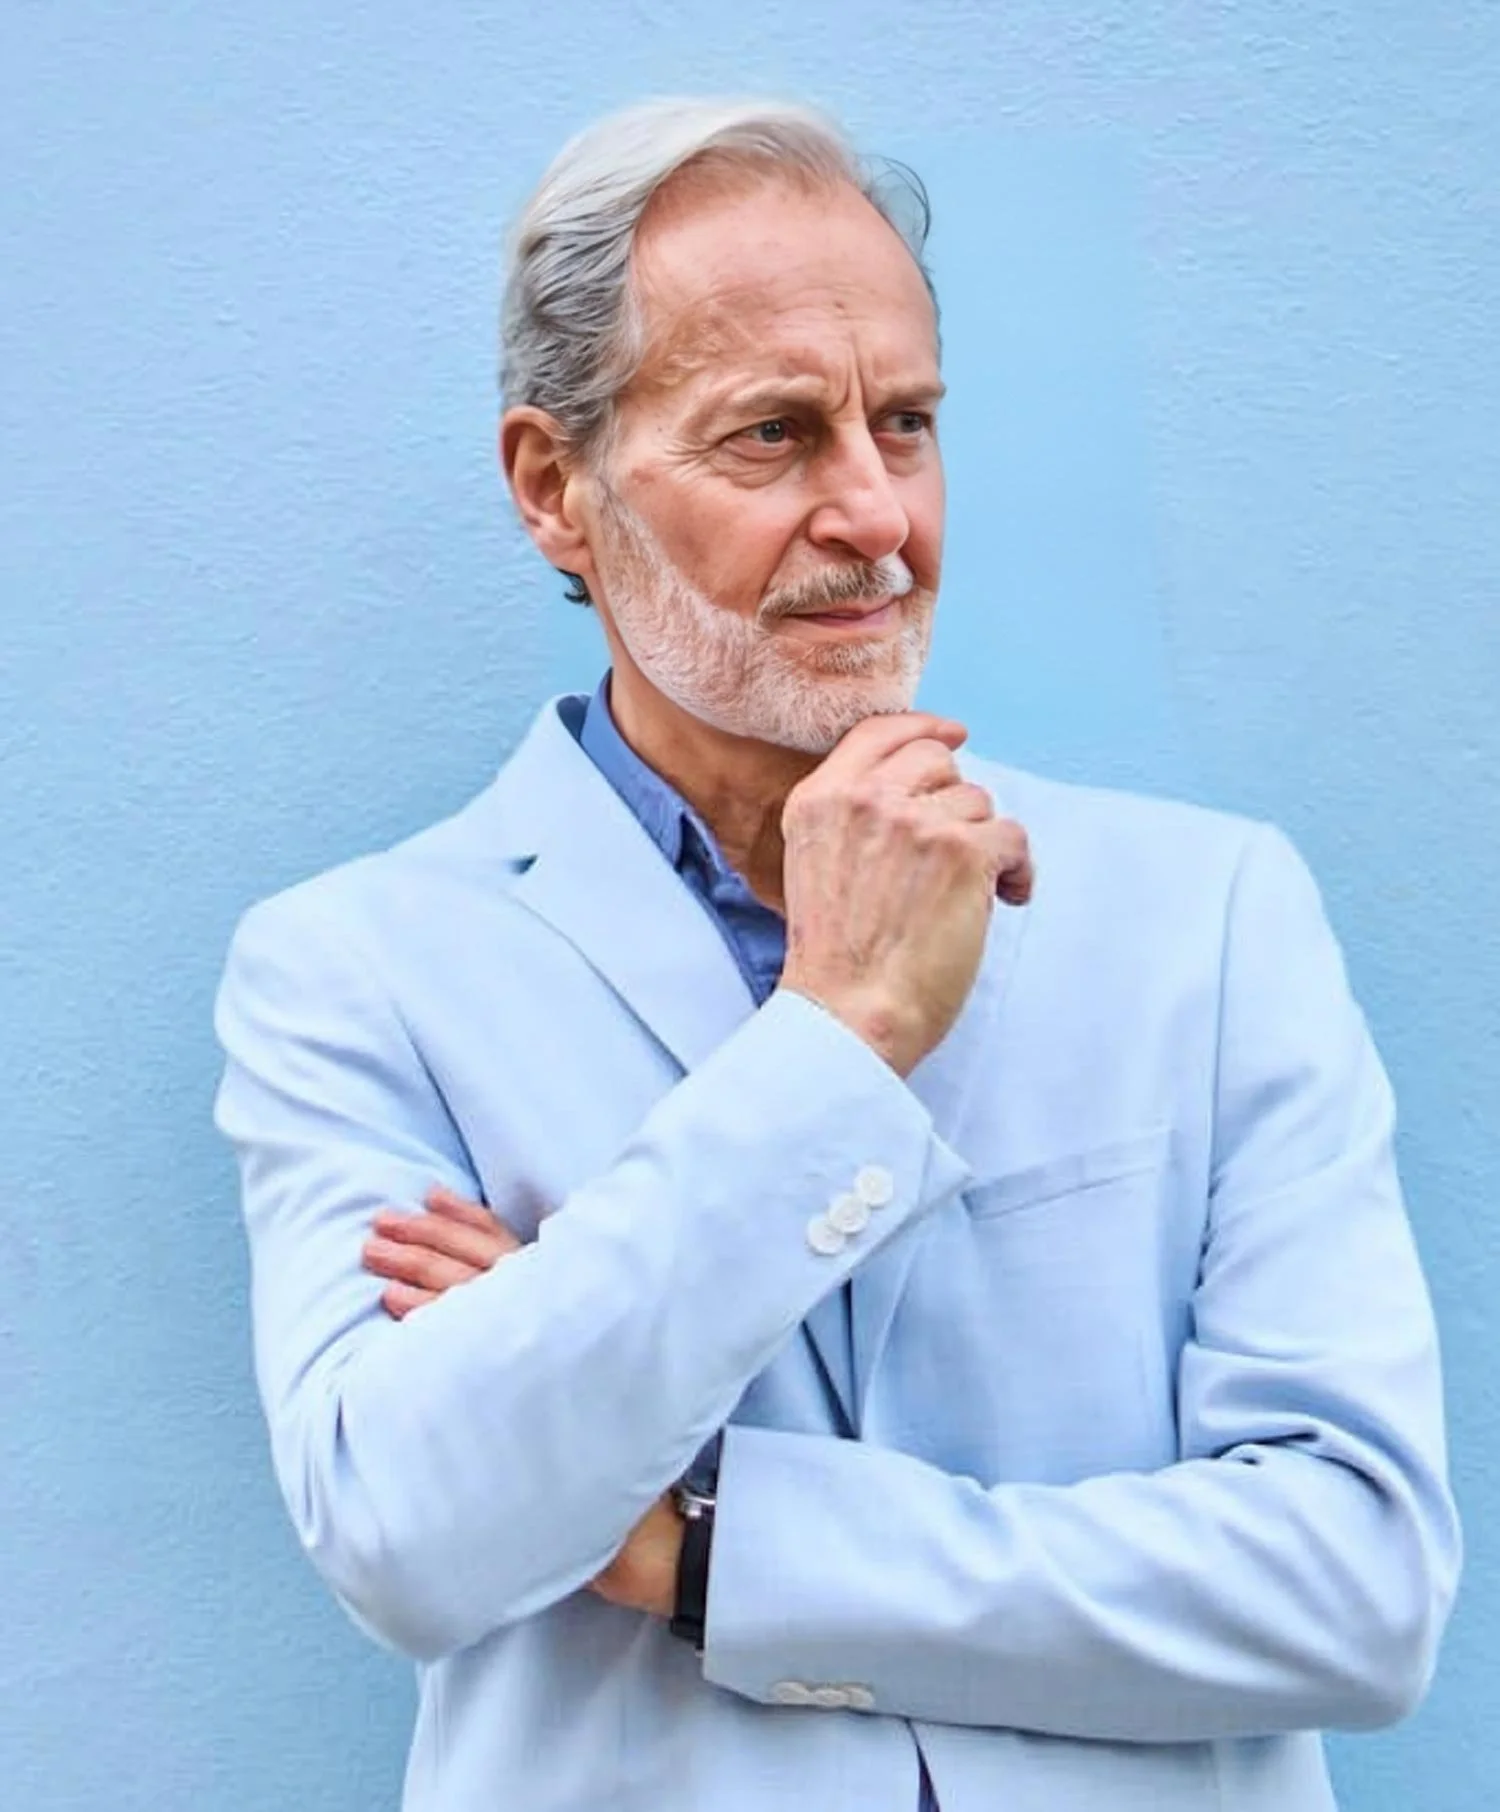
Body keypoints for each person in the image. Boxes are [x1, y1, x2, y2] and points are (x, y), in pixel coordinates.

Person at [213, 96, 1460, 1812]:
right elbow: (415, 1537)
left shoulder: (1213, 916)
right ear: (554, 489)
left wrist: (708, 1544)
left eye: (909, 422)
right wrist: (840, 1033)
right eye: (774, 436)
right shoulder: (355, 970)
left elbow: (1358, 1587)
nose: (875, 513)